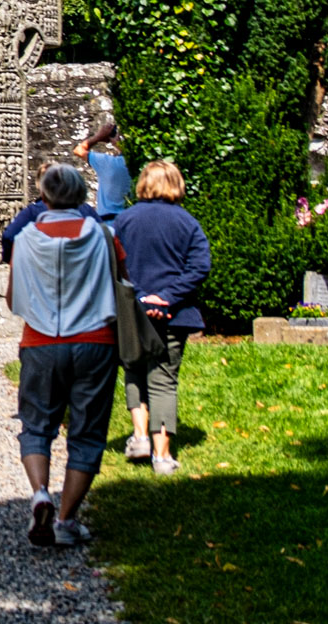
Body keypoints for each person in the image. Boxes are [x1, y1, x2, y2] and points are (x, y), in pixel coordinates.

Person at [9, 163, 122, 547]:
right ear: (82, 195)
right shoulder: (101, 234)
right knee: (87, 432)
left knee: (37, 424)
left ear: (43, 196)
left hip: (41, 339)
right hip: (95, 339)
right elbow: (120, 277)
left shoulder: (25, 237)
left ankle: (40, 491)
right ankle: (67, 519)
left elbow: (12, 297)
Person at [113, 159, 211, 474]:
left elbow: (117, 265)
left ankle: (140, 436)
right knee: (164, 380)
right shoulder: (187, 223)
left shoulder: (125, 220)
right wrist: (166, 297)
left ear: (143, 184)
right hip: (174, 314)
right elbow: (199, 266)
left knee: (134, 371)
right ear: (176, 185)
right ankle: (162, 455)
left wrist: (142, 297)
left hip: (133, 313)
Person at [75, 123, 131, 224]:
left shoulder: (109, 163)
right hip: (130, 221)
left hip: (108, 221)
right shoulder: (142, 164)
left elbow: (79, 150)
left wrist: (98, 137)